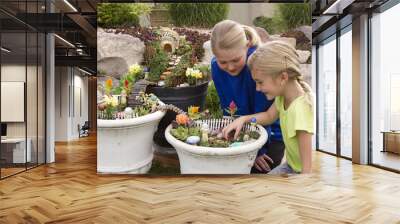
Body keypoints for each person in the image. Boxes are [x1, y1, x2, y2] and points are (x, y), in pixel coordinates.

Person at [222, 41, 314, 174]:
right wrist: (243, 119)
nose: (257, 88)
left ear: (283, 77)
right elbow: (269, 117)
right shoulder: (283, 97)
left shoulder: (300, 111)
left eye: (260, 82)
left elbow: (307, 170)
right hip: (290, 166)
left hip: (299, 173)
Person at [210, 20, 284, 173]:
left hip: (269, 135)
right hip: (240, 127)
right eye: (223, 62)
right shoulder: (215, 68)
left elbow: (264, 114)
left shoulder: (258, 66)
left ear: (248, 45)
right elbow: (228, 107)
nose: (230, 67)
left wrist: (256, 151)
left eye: (236, 60)